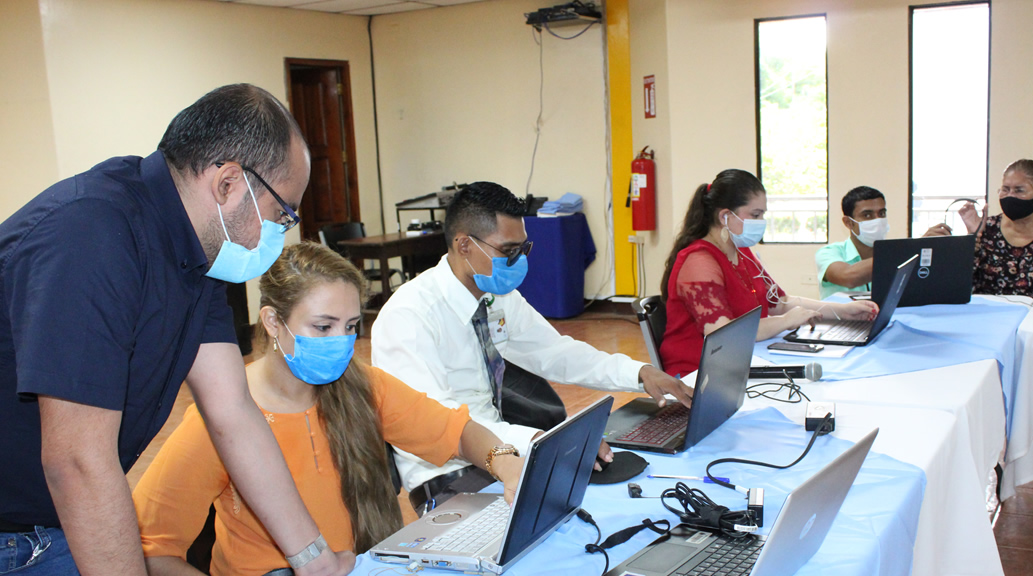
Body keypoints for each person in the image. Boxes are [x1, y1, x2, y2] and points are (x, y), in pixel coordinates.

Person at [0, 85, 351, 575]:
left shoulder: (197, 255)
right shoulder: (91, 235)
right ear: (229, 183)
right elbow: (78, 462)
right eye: (282, 214)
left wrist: (314, 559)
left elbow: (233, 412)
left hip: (55, 523)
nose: (284, 231)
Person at [133, 242, 524, 576]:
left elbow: (456, 432)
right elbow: (150, 547)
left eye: (351, 326)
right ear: (272, 322)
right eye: (323, 327)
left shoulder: (363, 387)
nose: (342, 341)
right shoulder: (220, 419)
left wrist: (505, 462)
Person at [371, 182, 693, 512]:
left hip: (504, 452)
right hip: (447, 474)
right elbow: (439, 426)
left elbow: (557, 353)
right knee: (579, 513)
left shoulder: (497, 297)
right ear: (464, 245)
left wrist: (639, 373)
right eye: (508, 251)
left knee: (630, 497)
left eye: (523, 250)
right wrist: (542, 442)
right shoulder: (409, 316)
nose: (518, 261)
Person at [659, 169, 879, 377]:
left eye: (762, 214)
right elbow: (723, 335)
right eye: (755, 214)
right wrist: (786, 321)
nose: (760, 222)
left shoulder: (741, 251)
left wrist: (843, 311)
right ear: (725, 216)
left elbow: (779, 302)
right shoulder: (699, 261)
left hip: (741, 360)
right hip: (698, 374)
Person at [960, 158, 1033, 488]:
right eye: (1004, 189)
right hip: (995, 325)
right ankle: (985, 448)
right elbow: (965, 283)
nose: (1009, 195)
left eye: (1019, 190)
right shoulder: (988, 229)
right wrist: (970, 237)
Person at [816, 186, 952, 299]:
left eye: (881, 213)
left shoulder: (896, 253)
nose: (877, 220)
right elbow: (848, 277)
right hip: (841, 327)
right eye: (867, 215)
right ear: (849, 222)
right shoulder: (829, 253)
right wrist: (912, 249)